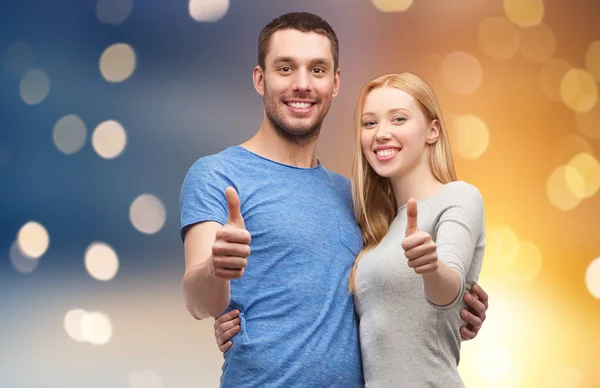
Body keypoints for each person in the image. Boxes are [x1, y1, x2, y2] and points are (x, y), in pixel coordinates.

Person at [180, 12, 488, 388]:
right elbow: (199, 300)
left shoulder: (357, 199)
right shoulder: (217, 175)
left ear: (335, 83)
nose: (302, 84)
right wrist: (217, 268)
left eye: (318, 70)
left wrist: (457, 304)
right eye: (285, 68)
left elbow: (389, 291)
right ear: (260, 79)